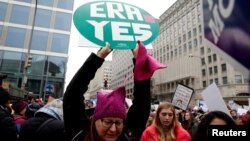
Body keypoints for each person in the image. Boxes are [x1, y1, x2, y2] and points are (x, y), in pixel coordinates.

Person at [63, 41, 166, 141]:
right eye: (108, 122)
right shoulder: (80, 132)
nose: (113, 129)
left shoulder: (127, 135)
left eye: (118, 123)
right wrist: (98, 57)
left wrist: (139, 61)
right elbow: (72, 94)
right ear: (95, 120)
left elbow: (142, 104)